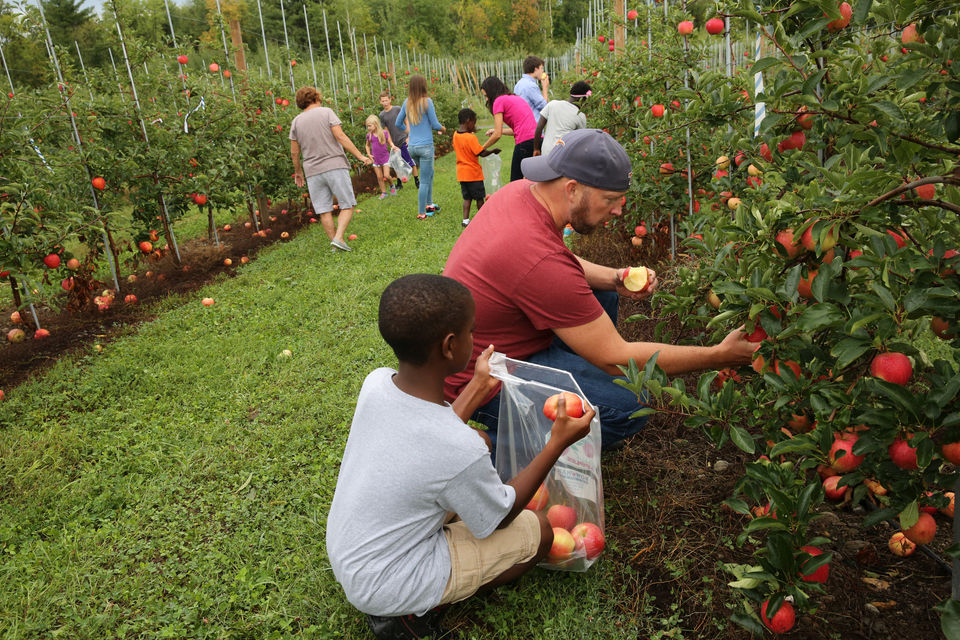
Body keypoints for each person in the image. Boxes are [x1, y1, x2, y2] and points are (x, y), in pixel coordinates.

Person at [443, 129, 756, 451]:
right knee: (628, 406)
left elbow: (555, 258)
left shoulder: (521, 193)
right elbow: (614, 357)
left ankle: (574, 379)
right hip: (483, 383)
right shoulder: (539, 260)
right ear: (573, 189)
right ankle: (488, 447)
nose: (618, 211)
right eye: (609, 200)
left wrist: (615, 277)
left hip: (500, 344)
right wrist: (719, 355)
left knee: (603, 293)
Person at [326, 274, 595, 640]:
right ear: (450, 346)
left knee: (479, 441)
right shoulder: (454, 447)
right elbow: (500, 517)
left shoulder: (376, 382)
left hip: (352, 552)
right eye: (472, 331)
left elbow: (434, 439)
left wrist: (479, 384)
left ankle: (407, 594)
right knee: (541, 532)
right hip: (387, 584)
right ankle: (409, 614)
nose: (475, 338)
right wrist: (556, 443)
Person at [290, 86, 372, 252]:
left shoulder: (296, 122)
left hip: (312, 171)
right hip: (334, 165)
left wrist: (298, 172)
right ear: (316, 98)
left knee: (323, 209)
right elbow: (340, 136)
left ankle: (336, 244)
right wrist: (360, 156)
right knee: (347, 204)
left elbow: (294, 151)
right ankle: (339, 238)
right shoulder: (326, 112)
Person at [395, 75, 446, 219]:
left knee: (429, 174)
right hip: (426, 147)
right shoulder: (427, 102)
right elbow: (435, 125)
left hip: (412, 147)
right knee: (424, 180)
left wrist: (410, 132)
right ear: (424, 86)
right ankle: (422, 212)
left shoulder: (407, 102)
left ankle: (429, 203)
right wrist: (444, 128)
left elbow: (398, 123)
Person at [479, 76, 537, 183]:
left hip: (524, 144)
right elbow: (517, 130)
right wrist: (496, 130)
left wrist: (481, 148)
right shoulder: (515, 98)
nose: (487, 99)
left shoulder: (498, 101)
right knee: (532, 181)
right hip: (537, 141)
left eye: (486, 96)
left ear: (491, 92)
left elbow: (497, 134)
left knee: (515, 182)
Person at [453, 108, 501, 228]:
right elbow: (481, 153)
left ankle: (465, 220)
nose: (474, 125)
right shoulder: (471, 138)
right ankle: (484, 218)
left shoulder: (455, 135)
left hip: (462, 174)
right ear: (469, 121)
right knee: (479, 198)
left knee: (467, 198)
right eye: (474, 122)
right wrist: (493, 151)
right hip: (473, 174)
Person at [533, 80, 590, 157]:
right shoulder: (580, 115)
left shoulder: (552, 104)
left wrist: (536, 149)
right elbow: (580, 141)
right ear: (583, 99)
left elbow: (539, 128)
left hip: (546, 152)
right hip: (563, 154)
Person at [379, 91, 420, 190]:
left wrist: (409, 136)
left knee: (410, 161)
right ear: (380, 102)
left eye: (386, 100)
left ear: (390, 100)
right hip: (394, 143)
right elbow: (386, 131)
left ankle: (417, 181)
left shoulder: (397, 109)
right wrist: (391, 144)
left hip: (404, 139)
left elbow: (406, 121)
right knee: (397, 163)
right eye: (383, 101)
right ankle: (399, 183)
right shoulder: (382, 115)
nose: (385, 103)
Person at [365, 115, 399, 199]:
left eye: (370, 126)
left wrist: (393, 146)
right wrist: (369, 154)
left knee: (386, 175)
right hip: (375, 159)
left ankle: (392, 185)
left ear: (375, 124)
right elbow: (367, 145)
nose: (368, 128)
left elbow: (390, 142)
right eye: (367, 126)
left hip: (385, 157)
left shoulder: (384, 133)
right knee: (379, 177)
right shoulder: (369, 135)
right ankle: (384, 193)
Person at [513, 55, 550, 123]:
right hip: (533, 127)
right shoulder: (531, 85)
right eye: (541, 68)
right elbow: (544, 107)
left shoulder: (518, 84)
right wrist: (545, 88)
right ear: (536, 69)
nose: (542, 71)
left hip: (523, 124)